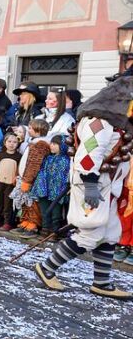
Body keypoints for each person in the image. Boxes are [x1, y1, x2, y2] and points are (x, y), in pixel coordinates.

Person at [35, 75, 133, 299]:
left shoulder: (113, 122)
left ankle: (102, 282)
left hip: (107, 184)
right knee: (91, 230)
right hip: (93, 183)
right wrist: (90, 185)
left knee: (109, 232)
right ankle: (47, 267)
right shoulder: (98, 122)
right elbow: (89, 155)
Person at [12, 118, 51, 237]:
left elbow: (34, 164)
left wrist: (28, 180)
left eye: (30, 128)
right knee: (25, 201)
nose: (28, 130)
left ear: (38, 130)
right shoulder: (33, 142)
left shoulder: (40, 145)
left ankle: (32, 225)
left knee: (32, 203)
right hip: (24, 178)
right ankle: (25, 222)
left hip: (33, 180)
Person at [32, 134, 71, 239]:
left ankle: (54, 232)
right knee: (44, 210)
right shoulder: (48, 158)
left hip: (58, 191)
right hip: (44, 189)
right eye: (51, 143)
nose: (51, 146)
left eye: (55, 144)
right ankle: (45, 230)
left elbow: (66, 176)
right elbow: (42, 172)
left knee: (56, 213)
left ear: (62, 146)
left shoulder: (66, 160)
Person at [0, 131, 20, 231]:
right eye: (9, 141)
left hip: (11, 184)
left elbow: (20, 170)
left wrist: (17, 180)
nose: (11, 144)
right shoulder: (0, 155)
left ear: (18, 144)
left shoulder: (19, 157)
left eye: (14, 142)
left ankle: (7, 222)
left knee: (8, 203)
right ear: (5, 143)